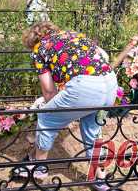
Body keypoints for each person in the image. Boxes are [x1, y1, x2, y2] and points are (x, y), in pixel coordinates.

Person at [17, 21, 118, 191]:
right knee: (91, 129)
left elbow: (49, 92)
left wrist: (56, 113)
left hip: (85, 87)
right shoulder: (74, 35)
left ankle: (38, 168)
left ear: (32, 40)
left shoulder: (39, 48)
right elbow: (103, 56)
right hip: (110, 84)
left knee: (46, 117)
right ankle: (100, 179)